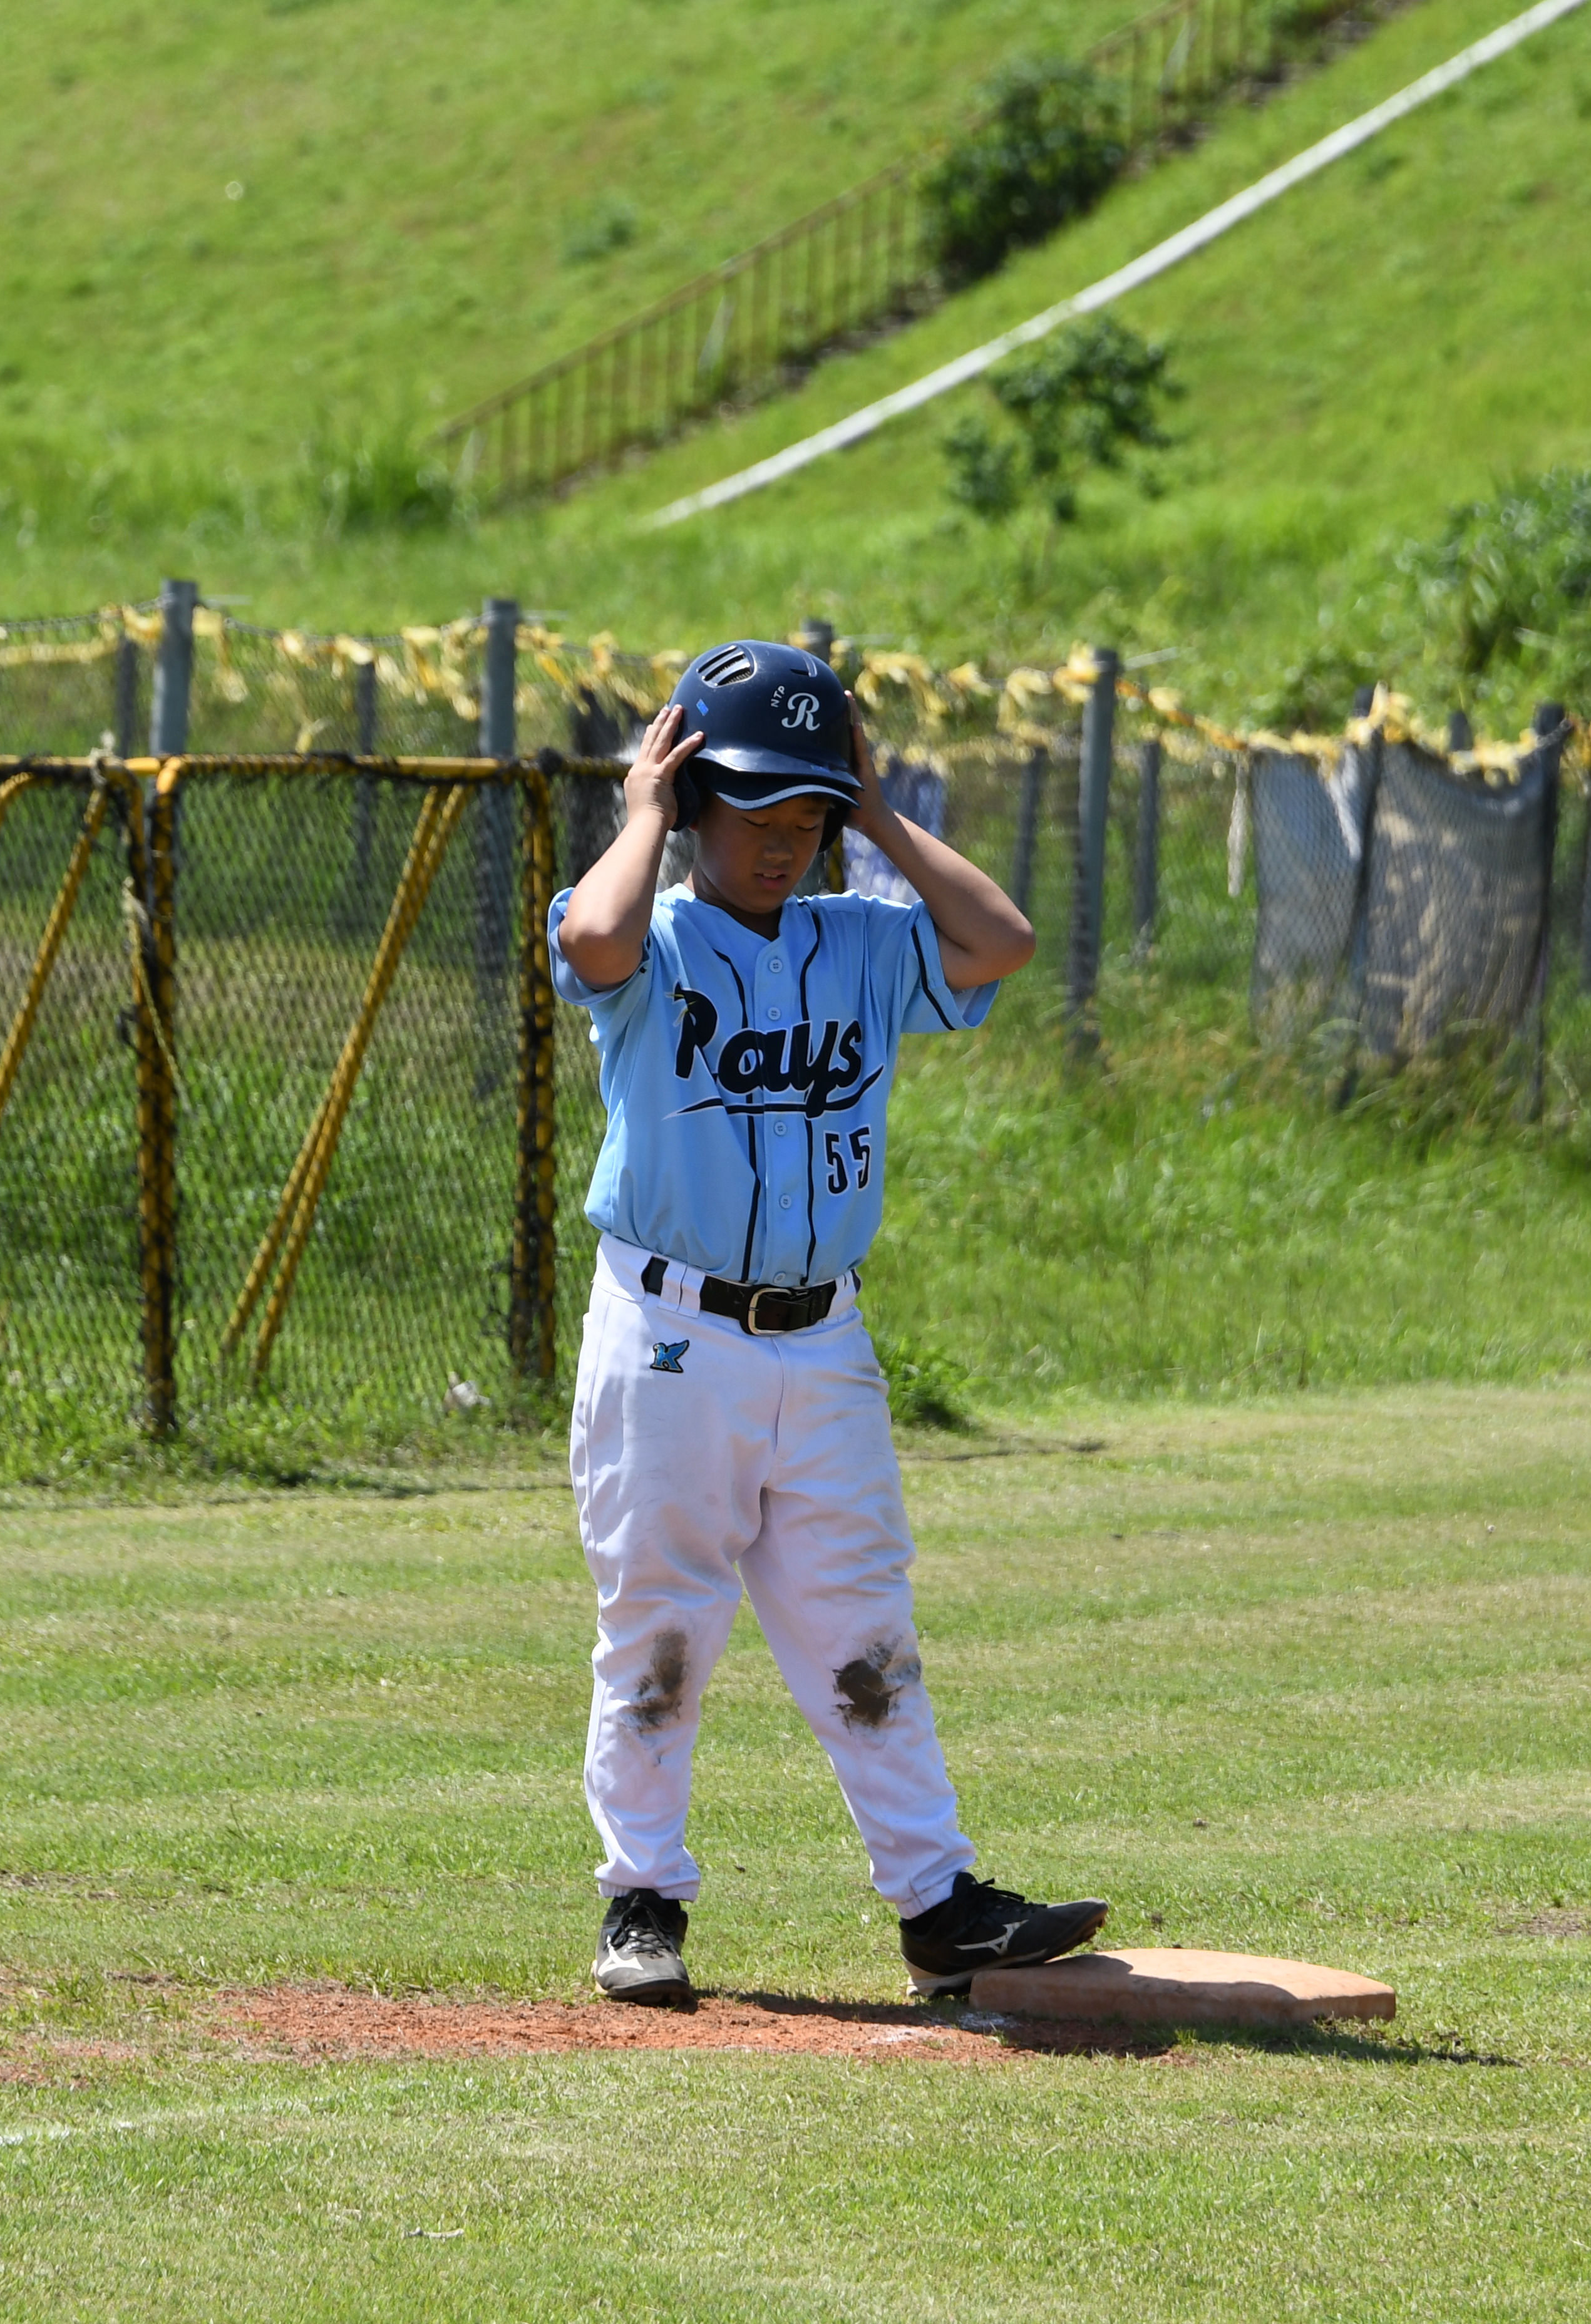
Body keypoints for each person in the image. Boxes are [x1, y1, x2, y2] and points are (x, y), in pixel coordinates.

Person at [547, 639, 1108, 2007]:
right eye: (756, 810)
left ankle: (940, 1906)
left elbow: (1003, 943)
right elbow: (591, 942)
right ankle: (641, 1899)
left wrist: (882, 818)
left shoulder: (861, 937)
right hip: (671, 1333)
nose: (784, 842)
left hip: (826, 1338)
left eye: (808, 815)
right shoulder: (653, 935)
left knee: (866, 1632)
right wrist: (643, 811)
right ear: (695, 805)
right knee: (661, 1629)